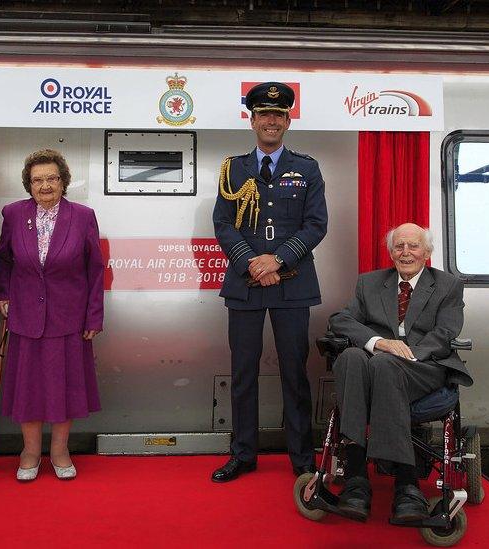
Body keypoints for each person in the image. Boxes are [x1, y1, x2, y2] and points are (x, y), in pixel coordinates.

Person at [211, 82, 328, 482]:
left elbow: (316, 225)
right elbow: (223, 224)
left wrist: (277, 259)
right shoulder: (233, 168)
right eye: (263, 114)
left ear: (288, 120)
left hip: (292, 284)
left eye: (278, 115)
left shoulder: (307, 168)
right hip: (245, 284)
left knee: (295, 373)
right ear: (252, 120)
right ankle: (243, 454)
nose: (271, 121)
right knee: (243, 372)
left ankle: (301, 460)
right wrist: (253, 263)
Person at [327, 223, 471, 521]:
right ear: (391, 252)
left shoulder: (448, 285)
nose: (406, 252)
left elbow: (446, 331)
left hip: (424, 366)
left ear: (427, 252)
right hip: (377, 361)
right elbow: (340, 319)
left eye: (413, 246)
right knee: (351, 357)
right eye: (399, 246)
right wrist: (380, 342)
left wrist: (406, 352)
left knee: (384, 363)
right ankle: (356, 478)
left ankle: (406, 482)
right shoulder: (369, 283)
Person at [0, 149, 104, 482]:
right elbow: (3, 260)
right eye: (37, 179)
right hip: (26, 315)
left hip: (68, 317)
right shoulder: (13, 214)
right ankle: (29, 451)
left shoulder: (83, 216)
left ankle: (59, 450)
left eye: (52, 178)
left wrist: (93, 316)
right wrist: (3, 294)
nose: (45, 186)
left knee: (64, 387)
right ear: (28, 183)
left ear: (63, 180)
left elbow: (95, 269)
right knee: (29, 387)